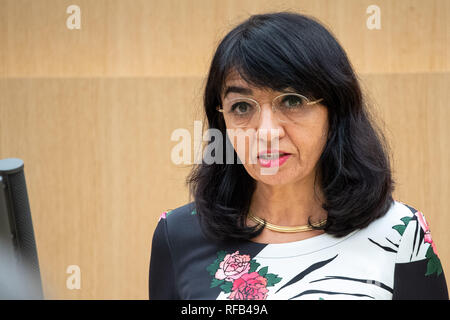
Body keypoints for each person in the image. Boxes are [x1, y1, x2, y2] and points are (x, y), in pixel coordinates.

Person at [148, 11, 448, 300]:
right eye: (242, 106)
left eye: (291, 100)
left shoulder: (400, 232)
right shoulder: (177, 235)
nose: (266, 131)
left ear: (336, 110)